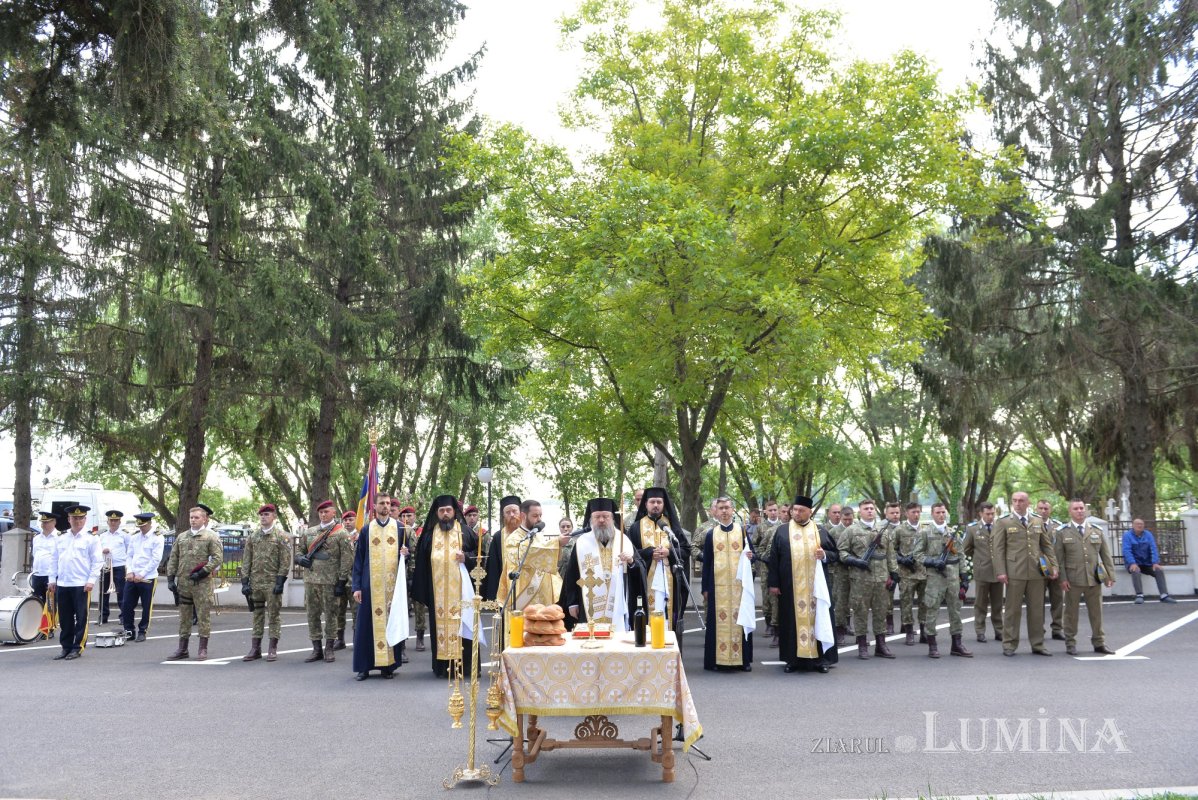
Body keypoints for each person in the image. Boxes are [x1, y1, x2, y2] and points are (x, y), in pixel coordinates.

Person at [766, 496, 837, 674]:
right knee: (790, 621)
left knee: (819, 619)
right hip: (791, 587)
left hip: (816, 589)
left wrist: (825, 555)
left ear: (810, 512)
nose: (796, 513)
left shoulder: (820, 530)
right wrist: (773, 583)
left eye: (801, 510)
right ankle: (792, 659)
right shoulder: (782, 531)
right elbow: (773, 558)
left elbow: (836, 554)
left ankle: (822, 659)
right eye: (794, 510)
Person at [412, 495, 480, 679]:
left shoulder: (465, 532)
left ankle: (466, 668)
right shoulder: (428, 536)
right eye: (441, 511)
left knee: (464, 626)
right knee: (439, 629)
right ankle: (442, 669)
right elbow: (421, 564)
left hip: (462, 594)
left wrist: (467, 557)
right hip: (438, 595)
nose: (445, 514)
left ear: (454, 512)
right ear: (436, 513)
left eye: (448, 510)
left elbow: (480, 555)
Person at [559, 498, 640, 631]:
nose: (601, 520)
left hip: (618, 603)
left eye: (605, 516)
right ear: (591, 519)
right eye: (597, 517)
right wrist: (572, 603)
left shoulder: (623, 540)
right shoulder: (582, 543)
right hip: (588, 604)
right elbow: (571, 574)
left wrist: (631, 561)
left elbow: (639, 569)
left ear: (612, 518)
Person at [351, 494, 408, 680]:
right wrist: (356, 587)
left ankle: (387, 666)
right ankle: (363, 667)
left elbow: (406, 558)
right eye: (382, 503)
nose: (385, 506)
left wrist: (406, 554)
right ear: (375, 506)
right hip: (370, 587)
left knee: (390, 623)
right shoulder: (367, 529)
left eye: (388, 503)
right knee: (365, 627)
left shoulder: (399, 528)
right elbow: (358, 559)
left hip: (392, 588)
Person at [995, 491, 1057, 656]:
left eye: (1021, 501)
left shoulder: (1037, 520)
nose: (1017, 503)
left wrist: (1054, 566)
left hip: (1036, 572)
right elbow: (998, 549)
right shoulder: (1004, 522)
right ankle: (1009, 644)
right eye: (1014, 500)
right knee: (1012, 611)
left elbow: (1046, 545)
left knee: (1037, 610)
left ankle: (1038, 644)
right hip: (1015, 572)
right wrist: (1001, 571)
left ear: (1028, 503)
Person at [628, 487, 692, 646]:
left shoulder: (672, 527)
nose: (655, 505)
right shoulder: (636, 527)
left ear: (664, 504)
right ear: (646, 504)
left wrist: (669, 552)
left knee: (669, 617)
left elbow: (685, 550)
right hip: (645, 584)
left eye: (659, 502)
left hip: (670, 583)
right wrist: (649, 553)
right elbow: (630, 554)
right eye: (652, 502)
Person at [490, 499, 566, 632]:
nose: (539, 519)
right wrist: (556, 542)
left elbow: (549, 560)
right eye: (535, 516)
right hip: (523, 600)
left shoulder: (539, 536)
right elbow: (527, 553)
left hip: (544, 600)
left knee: (544, 635)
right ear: (524, 516)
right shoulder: (514, 539)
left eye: (540, 515)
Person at [1056, 500, 1117, 655]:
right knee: (1071, 613)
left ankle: (1099, 642)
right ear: (1070, 511)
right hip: (1073, 579)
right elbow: (1059, 559)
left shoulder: (1096, 530)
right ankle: (1070, 643)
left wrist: (1110, 575)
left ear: (1086, 510)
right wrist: (1062, 579)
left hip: (1093, 579)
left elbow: (1106, 555)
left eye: (1082, 508)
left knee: (1097, 613)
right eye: (1076, 508)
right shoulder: (1062, 531)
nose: (1079, 511)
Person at [701, 496, 754, 671]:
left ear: (733, 510)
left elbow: (751, 555)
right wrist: (705, 588)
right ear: (717, 511)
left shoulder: (742, 531)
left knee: (741, 619)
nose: (724, 511)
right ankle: (716, 660)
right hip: (718, 587)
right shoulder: (711, 534)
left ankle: (743, 661)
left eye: (727, 508)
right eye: (721, 508)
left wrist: (750, 557)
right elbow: (707, 563)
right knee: (717, 622)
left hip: (739, 587)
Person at [165, 504, 224, 661]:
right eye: (191, 517)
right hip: (184, 583)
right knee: (184, 617)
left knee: (203, 616)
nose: (193, 520)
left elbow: (218, 558)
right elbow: (174, 558)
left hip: (202, 583)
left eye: (197, 517)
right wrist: (171, 579)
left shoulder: (211, 537)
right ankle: (182, 648)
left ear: (204, 519)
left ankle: (202, 648)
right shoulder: (182, 537)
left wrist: (204, 571)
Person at [842, 499, 897, 659]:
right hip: (860, 579)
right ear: (860, 512)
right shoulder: (851, 530)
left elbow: (890, 554)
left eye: (872, 508)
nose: (870, 511)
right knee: (860, 611)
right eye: (866, 508)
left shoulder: (884, 530)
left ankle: (881, 645)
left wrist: (894, 574)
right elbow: (842, 552)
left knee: (881, 611)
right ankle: (862, 645)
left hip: (881, 579)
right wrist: (856, 561)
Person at [915, 502, 971, 658]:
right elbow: (917, 555)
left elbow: (960, 555)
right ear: (932, 514)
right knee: (932, 610)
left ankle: (957, 645)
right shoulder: (925, 533)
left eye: (943, 512)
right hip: (935, 578)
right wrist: (931, 562)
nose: (941, 515)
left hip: (953, 577)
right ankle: (932, 645)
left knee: (956, 611)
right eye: (938, 512)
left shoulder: (953, 533)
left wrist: (964, 576)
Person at [239, 503, 292, 662]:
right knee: (257, 615)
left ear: (274, 517)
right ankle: (255, 648)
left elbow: (285, 561)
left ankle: (272, 648)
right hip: (255, 583)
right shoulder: (253, 537)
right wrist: (244, 582)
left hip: (272, 583)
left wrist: (280, 581)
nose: (263, 517)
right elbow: (247, 560)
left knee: (274, 616)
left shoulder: (281, 536)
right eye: (261, 515)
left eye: (267, 514)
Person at [49, 505, 102, 660]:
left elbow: (97, 562)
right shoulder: (61, 538)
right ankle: (66, 647)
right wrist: (52, 579)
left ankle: (77, 647)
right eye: (74, 518)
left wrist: (91, 580)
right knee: (64, 619)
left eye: (80, 518)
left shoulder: (92, 538)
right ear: (69, 519)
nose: (77, 521)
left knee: (81, 617)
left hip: (81, 584)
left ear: (85, 520)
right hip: (63, 583)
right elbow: (53, 560)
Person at [963, 502, 1003, 643]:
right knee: (980, 604)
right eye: (988, 514)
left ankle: (999, 631)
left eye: (993, 513)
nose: (991, 516)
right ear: (981, 514)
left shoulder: (999, 526)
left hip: (998, 571)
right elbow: (966, 548)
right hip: (982, 571)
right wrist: (978, 558)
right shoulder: (973, 529)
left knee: (998, 604)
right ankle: (980, 631)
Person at [121, 512, 163, 642]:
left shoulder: (157, 538)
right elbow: (129, 555)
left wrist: (142, 574)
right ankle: (129, 630)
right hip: (133, 577)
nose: (141, 528)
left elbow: (156, 559)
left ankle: (142, 630)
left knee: (146, 606)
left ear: (150, 523)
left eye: (144, 526)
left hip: (147, 577)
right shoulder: (135, 537)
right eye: (140, 526)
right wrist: (130, 571)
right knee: (126, 605)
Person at [894, 502, 928, 646]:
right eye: (913, 512)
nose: (916, 514)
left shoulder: (926, 530)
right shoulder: (899, 530)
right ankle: (908, 631)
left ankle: (924, 630)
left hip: (924, 573)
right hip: (906, 574)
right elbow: (892, 550)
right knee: (906, 603)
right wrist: (901, 559)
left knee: (925, 603)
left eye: (918, 512)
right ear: (906, 513)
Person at [1122, 518, 1177, 603]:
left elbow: (1153, 548)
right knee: (1135, 571)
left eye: (1141, 524)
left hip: (1147, 563)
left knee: (1158, 570)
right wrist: (1132, 563)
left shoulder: (1148, 535)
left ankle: (1164, 595)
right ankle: (1139, 595)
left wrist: (1155, 562)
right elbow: (1126, 550)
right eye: (1137, 524)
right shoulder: (1127, 535)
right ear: (1133, 525)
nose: (1140, 526)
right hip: (1134, 563)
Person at [396, 504, 422, 660]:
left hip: (416, 573)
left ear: (414, 517)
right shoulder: (399, 531)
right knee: (402, 608)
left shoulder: (419, 531)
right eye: (403, 516)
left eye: (409, 516)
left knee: (418, 606)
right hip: (402, 574)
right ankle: (402, 644)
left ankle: (419, 636)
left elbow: (419, 550)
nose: (406, 519)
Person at [1037, 499, 1065, 640]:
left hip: (1055, 570)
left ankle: (1057, 629)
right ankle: (1038, 629)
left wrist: (1057, 567)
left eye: (1046, 508)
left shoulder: (1058, 527)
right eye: (1041, 508)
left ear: (1050, 510)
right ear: (1036, 509)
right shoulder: (1032, 524)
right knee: (1037, 601)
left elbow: (1062, 549)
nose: (1043, 511)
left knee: (1058, 600)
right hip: (1038, 569)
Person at [98, 510, 130, 625]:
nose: (113, 522)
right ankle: (103, 616)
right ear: (108, 521)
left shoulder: (125, 535)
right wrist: (103, 551)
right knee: (103, 593)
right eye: (111, 520)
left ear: (119, 521)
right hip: (105, 566)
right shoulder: (102, 536)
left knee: (121, 592)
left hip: (119, 566)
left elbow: (129, 551)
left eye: (115, 520)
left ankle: (123, 616)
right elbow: (97, 552)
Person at [830, 505, 855, 646]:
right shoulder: (834, 532)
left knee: (856, 601)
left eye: (850, 519)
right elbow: (831, 551)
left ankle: (849, 624)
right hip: (840, 571)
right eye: (845, 519)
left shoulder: (857, 530)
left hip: (857, 570)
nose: (847, 522)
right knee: (840, 602)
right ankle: (839, 631)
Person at [335, 509, 358, 648]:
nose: (348, 522)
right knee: (339, 610)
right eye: (345, 520)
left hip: (354, 580)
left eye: (351, 520)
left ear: (356, 520)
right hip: (340, 580)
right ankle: (340, 639)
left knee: (356, 612)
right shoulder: (338, 537)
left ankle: (357, 639)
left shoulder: (362, 536)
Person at [880, 501, 903, 635]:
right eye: (892, 513)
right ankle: (889, 623)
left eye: (897, 512)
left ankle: (906, 624)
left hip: (905, 567)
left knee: (906, 597)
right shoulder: (880, 528)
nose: (895, 515)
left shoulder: (905, 527)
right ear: (886, 513)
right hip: (888, 567)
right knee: (887, 597)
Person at [30, 510, 59, 606]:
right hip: (37, 574)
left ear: (54, 522)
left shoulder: (59, 537)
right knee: (37, 603)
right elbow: (35, 554)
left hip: (50, 575)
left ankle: (52, 621)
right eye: (42, 522)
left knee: (52, 604)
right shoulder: (36, 538)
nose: (44, 524)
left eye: (47, 522)